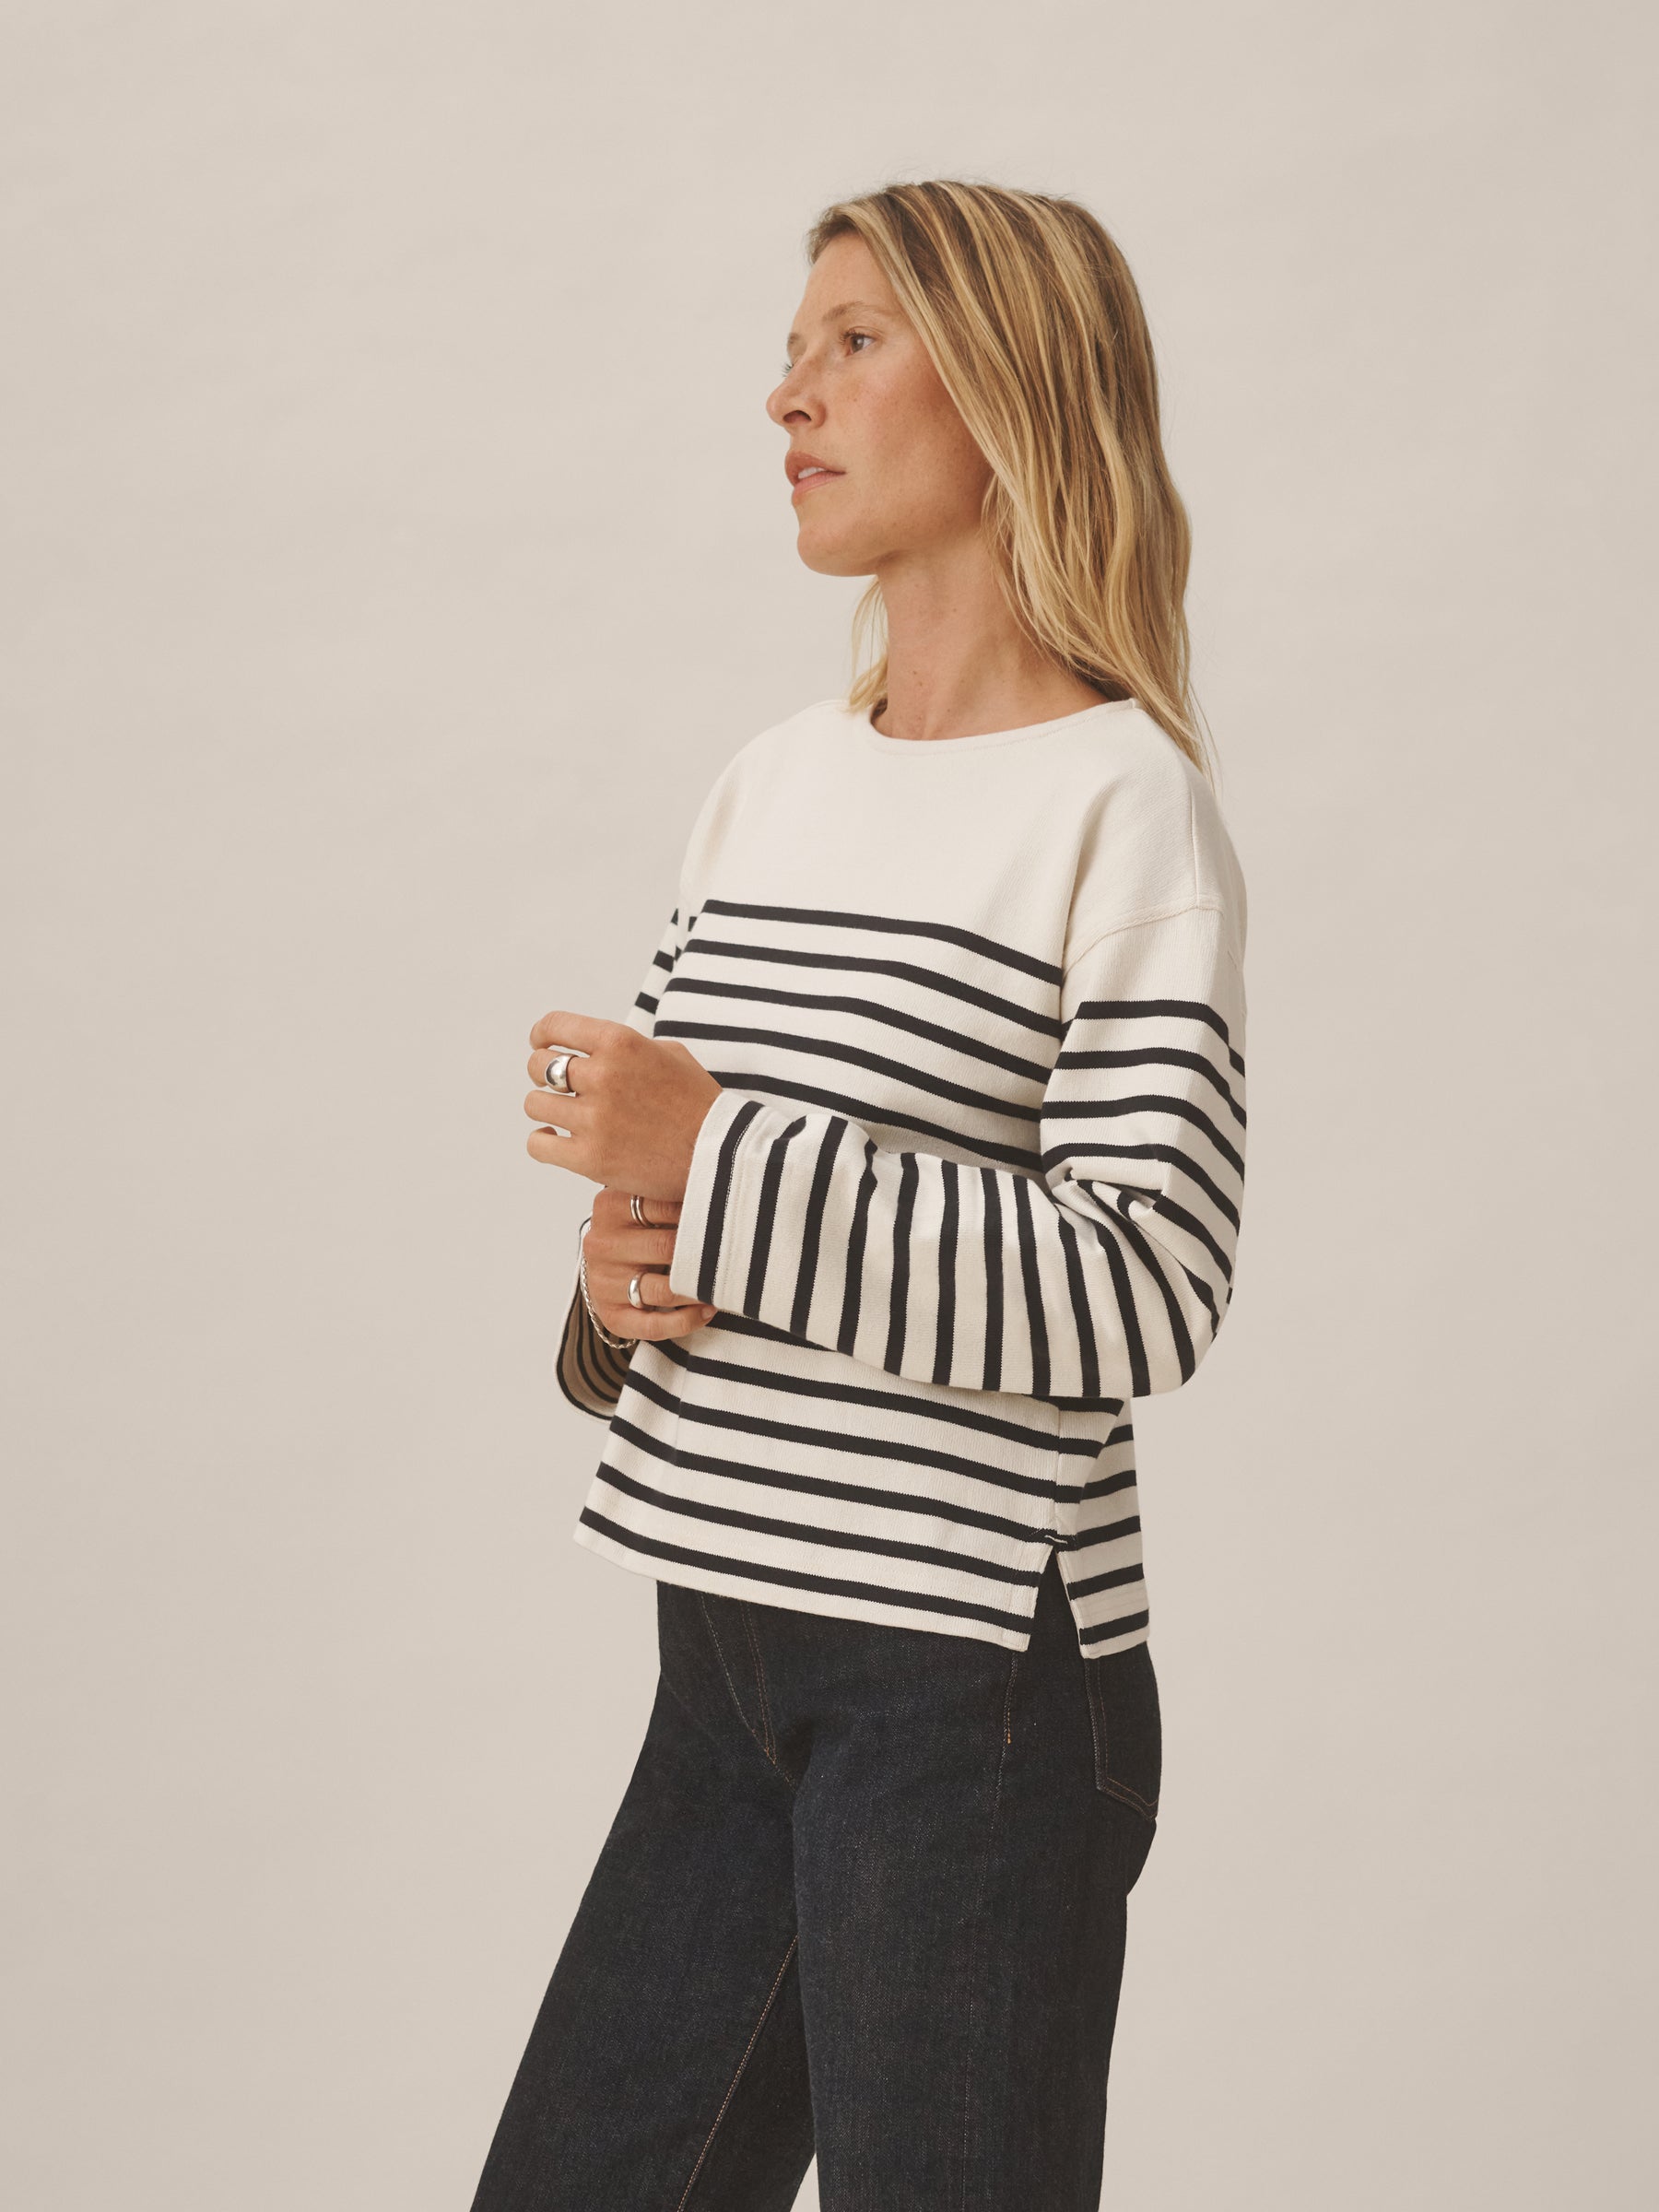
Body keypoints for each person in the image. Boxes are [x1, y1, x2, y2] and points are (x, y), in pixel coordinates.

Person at [469, 179, 1247, 2211]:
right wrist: (619, 1281)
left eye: (853, 342)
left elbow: (1146, 1288)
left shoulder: (1125, 806)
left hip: (971, 1683)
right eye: (793, 347)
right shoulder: (774, 781)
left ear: (1004, 389)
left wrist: (714, 1160)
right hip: (724, 1647)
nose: (786, 395)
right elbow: (687, 1211)